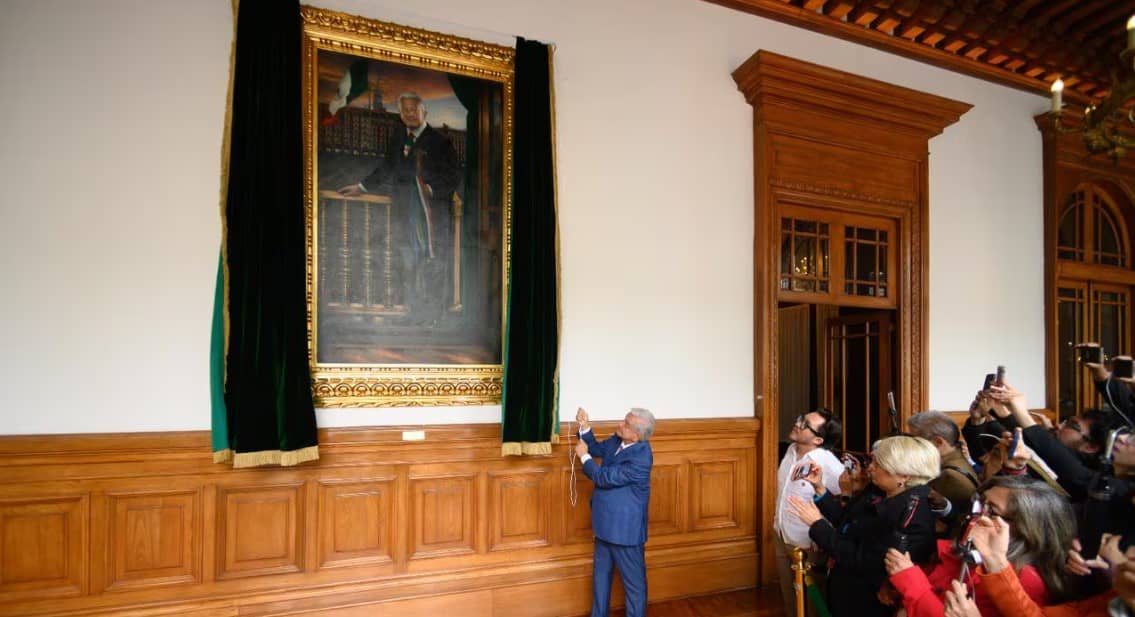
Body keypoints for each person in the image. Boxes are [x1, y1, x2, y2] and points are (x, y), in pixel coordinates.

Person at [338, 92, 461, 325]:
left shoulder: (440, 142)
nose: (409, 114)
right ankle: (413, 314)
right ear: (400, 113)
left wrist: (432, 191)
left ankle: (433, 318)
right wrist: (362, 187)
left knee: (433, 265)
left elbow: (454, 176)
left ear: (425, 111)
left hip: (431, 217)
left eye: (414, 109)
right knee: (408, 263)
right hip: (405, 214)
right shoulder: (398, 139)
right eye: (404, 110)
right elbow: (387, 168)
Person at [788, 435, 939, 617]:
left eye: (878, 464)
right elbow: (847, 522)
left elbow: (862, 559)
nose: (870, 468)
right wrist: (820, 489)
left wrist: (817, 525)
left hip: (867, 600)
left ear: (904, 475)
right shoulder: (881, 493)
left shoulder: (911, 514)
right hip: (847, 590)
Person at [885, 475, 1077, 617]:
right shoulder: (971, 548)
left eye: (991, 511)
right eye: (979, 504)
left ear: (1024, 527)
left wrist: (910, 581)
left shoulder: (1025, 580)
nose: (975, 515)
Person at [574, 407, 655, 617]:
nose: (620, 424)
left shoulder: (641, 458)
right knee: (600, 581)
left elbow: (603, 477)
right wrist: (584, 427)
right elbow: (595, 448)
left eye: (626, 424)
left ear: (637, 435)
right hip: (604, 526)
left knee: (634, 588)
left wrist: (584, 458)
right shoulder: (618, 440)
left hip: (625, 533)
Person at [773, 409, 845, 614]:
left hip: (809, 542)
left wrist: (825, 532)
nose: (797, 424)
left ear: (818, 439)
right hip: (782, 534)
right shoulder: (791, 451)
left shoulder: (827, 462)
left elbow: (842, 501)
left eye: (805, 424)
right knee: (790, 595)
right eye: (800, 419)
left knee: (813, 600)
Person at [906, 410, 979, 537]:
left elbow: (933, 523)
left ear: (938, 442)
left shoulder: (951, 476)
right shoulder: (954, 461)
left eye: (917, 442)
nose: (911, 447)